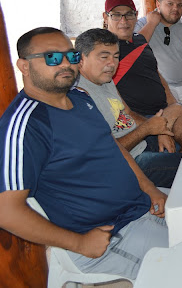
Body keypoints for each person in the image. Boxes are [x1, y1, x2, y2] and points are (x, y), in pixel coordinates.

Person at [0, 27, 168, 280]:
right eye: (52, 57)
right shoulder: (26, 125)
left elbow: (113, 147)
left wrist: (149, 188)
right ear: (24, 66)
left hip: (140, 206)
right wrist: (79, 243)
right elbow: (6, 211)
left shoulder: (80, 98)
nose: (66, 64)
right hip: (109, 234)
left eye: (71, 56)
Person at [75, 28, 182, 188]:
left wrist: (160, 131)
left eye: (116, 56)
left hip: (139, 143)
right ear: (80, 59)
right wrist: (147, 128)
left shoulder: (106, 80)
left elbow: (128, 112)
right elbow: (106, 152)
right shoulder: (79, 96)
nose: (112, 64)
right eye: (104, 57)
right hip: (126, 163)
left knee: (180, 116)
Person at [103, 0, 182, 152]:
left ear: (136, 16)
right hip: (139, 119)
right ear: (105, 17)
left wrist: (172, 102)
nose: (124, 20)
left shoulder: (140, 40)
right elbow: (117, 104)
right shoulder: (104, 51)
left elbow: (155, 73)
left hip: (164, 110)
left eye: (129, 14)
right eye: (116, 15)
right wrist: (155, 127)